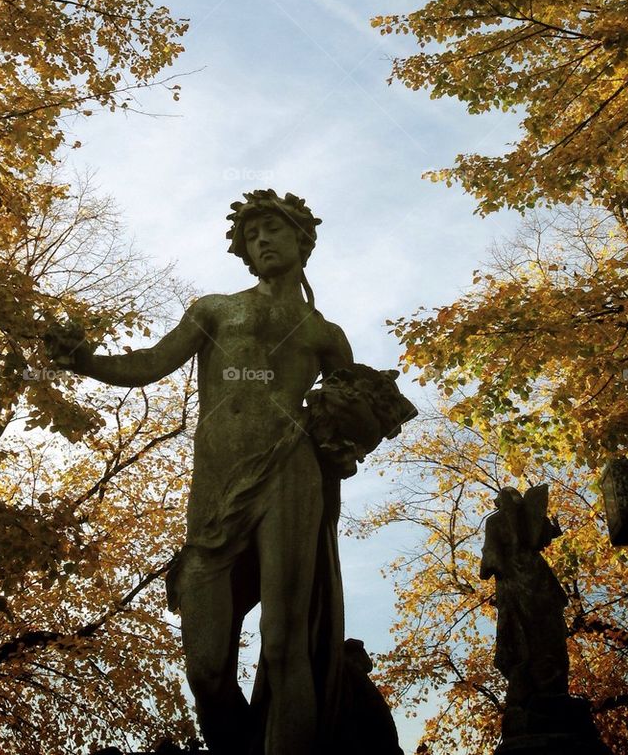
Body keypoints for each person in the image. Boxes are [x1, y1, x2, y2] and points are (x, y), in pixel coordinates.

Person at [47, 189, 412, 755]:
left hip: (291, 474)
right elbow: (149, 364)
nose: (261, 240)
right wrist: (85, 360)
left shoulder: (325, 334)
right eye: (251, 235)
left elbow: (356, 416)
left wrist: (349, 426)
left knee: (286, 643)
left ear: (302, 240)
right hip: (217, 488)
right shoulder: (214, 308)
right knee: (206, 667)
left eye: (272, 230)